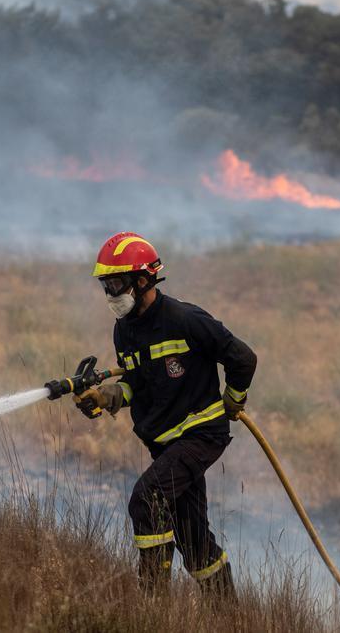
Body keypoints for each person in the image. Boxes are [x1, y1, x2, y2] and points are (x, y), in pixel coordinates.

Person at [73, 231, 257, 600]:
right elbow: (137, 383)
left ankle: (153, 607)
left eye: (116, 283)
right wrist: (107, 397)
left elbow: (242, 357)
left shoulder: (185, 319)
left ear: (143, 280)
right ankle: (231, 616)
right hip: (166, 444)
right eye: (105, 285)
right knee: (193, 540)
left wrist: (234, 400)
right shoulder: (124, 330)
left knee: (147, 499)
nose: (110, 293)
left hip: (201, 435)